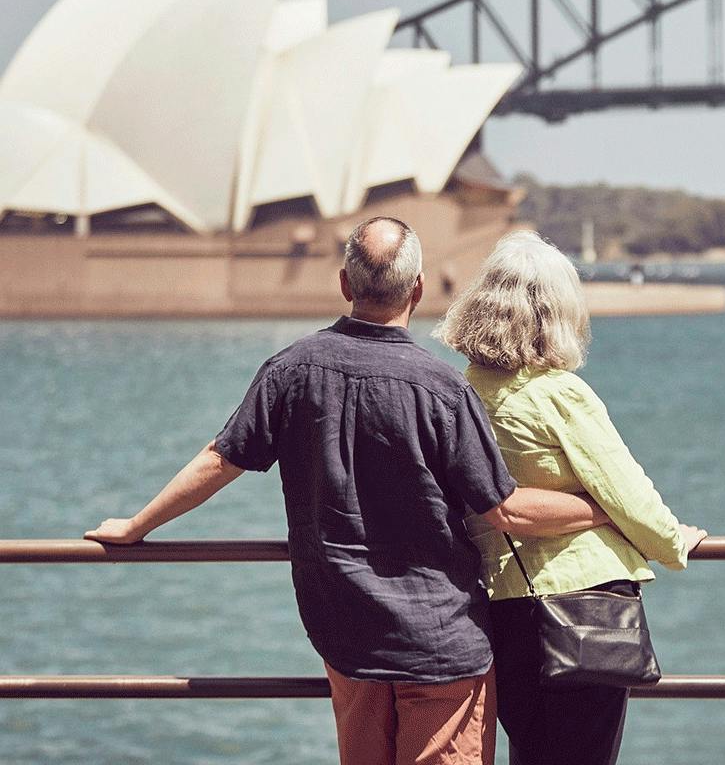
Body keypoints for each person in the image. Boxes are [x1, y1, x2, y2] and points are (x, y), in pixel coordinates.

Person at [86, 216, 610, 765]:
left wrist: (136, 525)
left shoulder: (290, 370)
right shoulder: (444, 390)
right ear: (418, 289)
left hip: (347, 634)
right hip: (440, 642)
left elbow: (220, 460)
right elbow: (506, 509)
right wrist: (601, 509)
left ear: (344, 284)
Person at [433, 231, 706, 765]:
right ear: (557, 312)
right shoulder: (558, 393)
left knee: (531, 752)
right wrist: (675, 542)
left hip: (500, 608)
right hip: (585, 609)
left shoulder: (459, 393)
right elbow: (628, 494)